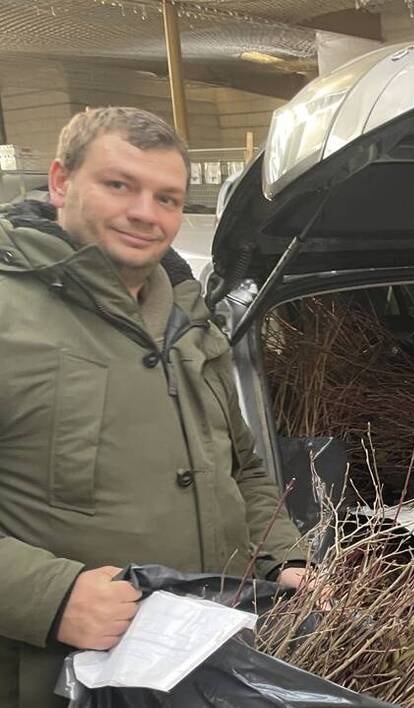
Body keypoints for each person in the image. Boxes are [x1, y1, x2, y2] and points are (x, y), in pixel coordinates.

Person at [0, 107, 306, 708]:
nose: (146, 213)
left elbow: (241, 469)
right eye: (120, 185)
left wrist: (282, 560)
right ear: (61, 182)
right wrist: (48, 595)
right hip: (63, 684)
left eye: (167, 197)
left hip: (215, 664)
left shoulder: (190, 321)